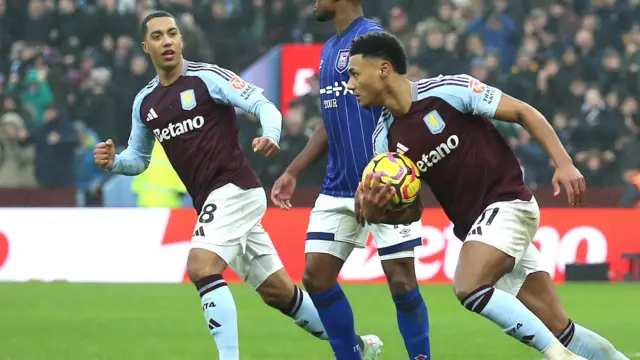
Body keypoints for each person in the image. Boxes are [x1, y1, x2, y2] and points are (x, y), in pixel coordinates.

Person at [93, 11, 381, 360]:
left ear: (182, 40)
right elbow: (138, 158)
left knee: (200, 267)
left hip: (235, 189)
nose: (166, 41)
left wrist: (270, 134)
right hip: (214, 201)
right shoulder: (145, 102)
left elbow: (263, 106)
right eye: (157, 36)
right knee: (279, 293)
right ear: (146, 47)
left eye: (172, 34)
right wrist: (115, 162)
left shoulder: (207, 78)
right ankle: (359, 347)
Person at [348, 31, 630, 360]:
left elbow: (524, 112)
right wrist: (380, 211)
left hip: (509, 202)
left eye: (354, 74)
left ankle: (558, 356)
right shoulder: (385, 141)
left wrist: (564, 164)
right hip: (481, 229)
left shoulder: (448, 91)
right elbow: (413, 211)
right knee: (562, 328)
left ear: (383, 69)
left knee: (468, 285)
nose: (350, 85)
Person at [272, 1, 430, 359]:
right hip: (339, 184)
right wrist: (294, 170)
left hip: (385, 185)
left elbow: (404, 101)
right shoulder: (328, 50)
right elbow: (332, 121)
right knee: (316, 278)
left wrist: (404, 167)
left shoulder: (373, 38)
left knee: (402, 282)